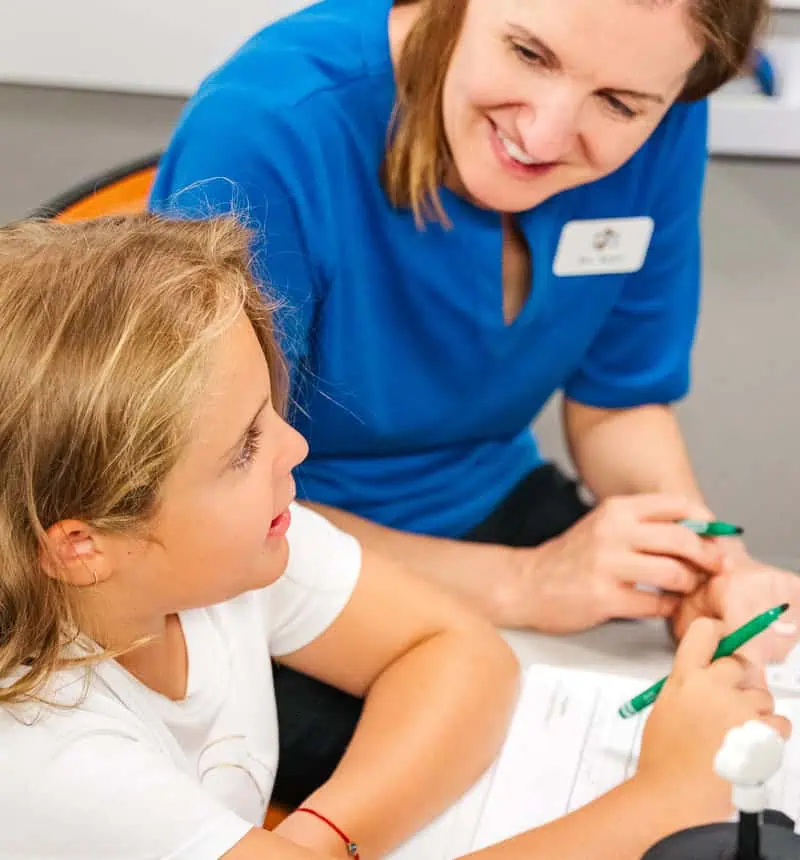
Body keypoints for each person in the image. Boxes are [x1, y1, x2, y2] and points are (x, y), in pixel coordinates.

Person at [150, 0, 800, 801]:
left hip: (494, 507)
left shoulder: (663, 121)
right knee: (558, 794)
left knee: (741, 758)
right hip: (263, 559)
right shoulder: (273, 128)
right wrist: (522, 586)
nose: (548, 133)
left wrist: (700, 556)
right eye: (529, 52)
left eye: (620, 104)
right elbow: (193, 506)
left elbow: (619, 404)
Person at [0, 213, 790, 860]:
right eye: (244, 448)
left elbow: (457, 650)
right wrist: (664, 799)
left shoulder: (220, 557)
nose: (294, 448)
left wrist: (319, 842)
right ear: (79, 544)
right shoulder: (51, 756)